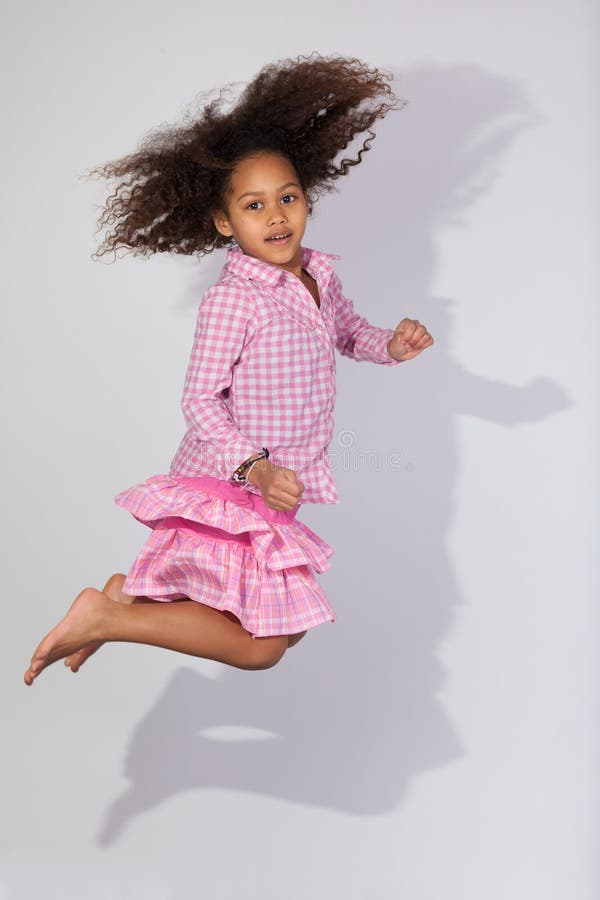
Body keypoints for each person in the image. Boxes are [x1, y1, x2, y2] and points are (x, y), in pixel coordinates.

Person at [24, 53, 434, 686]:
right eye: (253, 205)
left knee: (288, 627)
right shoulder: (234, 298)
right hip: (233, 483)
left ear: (306, 199)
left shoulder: (318, 274)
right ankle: (108, 618)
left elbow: (349, 333)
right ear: (224, 222)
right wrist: (257, 466)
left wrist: (393, 346)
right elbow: (199, 401)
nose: (276, 216)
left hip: (276, 489)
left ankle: (123, 598)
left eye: (288, 198)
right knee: (263, 645)